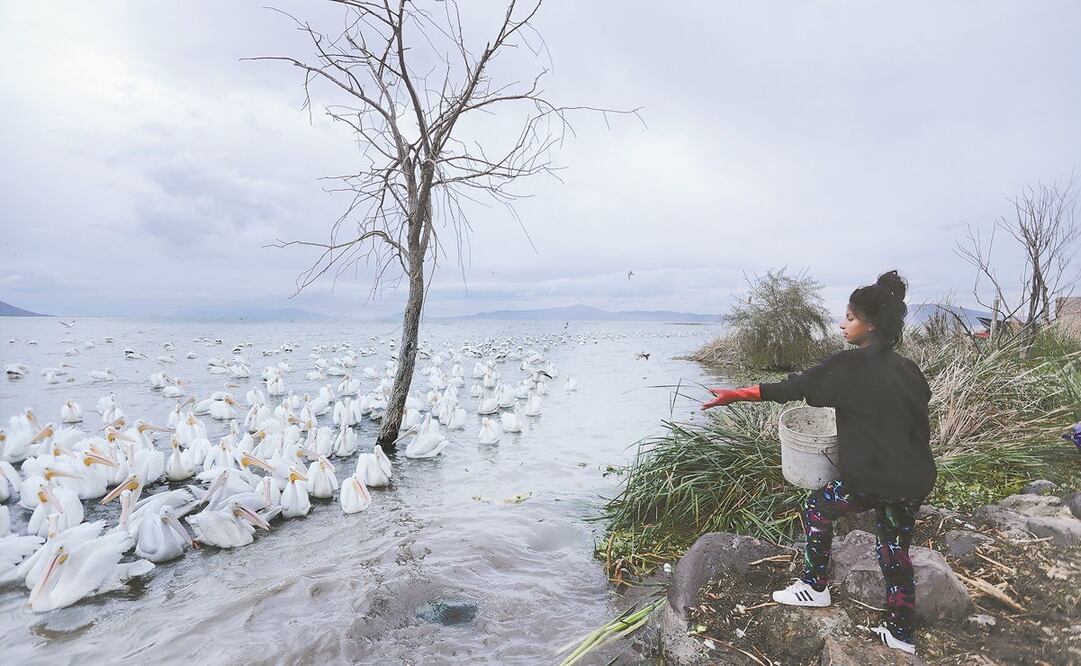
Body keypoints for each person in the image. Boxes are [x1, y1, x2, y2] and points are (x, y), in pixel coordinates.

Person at [701, 270, 936, 655]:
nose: (842, 323)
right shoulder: (909, 370)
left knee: (818, 507)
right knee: (894, 551)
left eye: (850, 316)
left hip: (872, 480)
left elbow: (791, 387)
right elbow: (912, 418)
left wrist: (734, 395)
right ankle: (900, 633)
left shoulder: (848, 366)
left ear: (871, 324)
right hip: (913, 480)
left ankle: (814, 586)